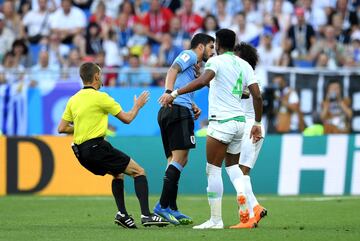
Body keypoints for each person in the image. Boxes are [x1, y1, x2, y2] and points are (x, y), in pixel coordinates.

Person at [160, 29, 263, 229]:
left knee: (213, 170)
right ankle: (245, 200)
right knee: (233, 167)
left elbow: (202, 81)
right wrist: (257, 124)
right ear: (233, 45)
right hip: (241, 123)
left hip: (221, 122)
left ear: (217, 45)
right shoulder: (244, 65)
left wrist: (176, 92)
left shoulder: (215, 62)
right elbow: (254, 96)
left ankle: (216, 220)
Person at [58, 62, 168, 229]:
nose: (101, 78)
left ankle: (122, 214)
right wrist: (137, 105)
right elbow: (128, 118)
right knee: (139, 172)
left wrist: (82, 127)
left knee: (118, 174)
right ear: (96, 76)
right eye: (100, 75)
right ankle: (146, 215)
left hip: (81, 153)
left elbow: (62, 128)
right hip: (97, 147)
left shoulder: (73, 100)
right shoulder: (101, 97)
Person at [154, 33, 215, 225]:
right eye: (210, 47)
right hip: (177, 111)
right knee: (181, 159)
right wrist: (168, 92)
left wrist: (192, 105)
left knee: (174, 160)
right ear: (200, 47)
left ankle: (171, 208)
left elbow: (181, 81)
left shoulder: (193, 67)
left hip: (170, 111)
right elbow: (172, 70)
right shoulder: (189, 54)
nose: (212, 51)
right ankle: (162, 206)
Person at [233, 42, 267, 226]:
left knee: (239, 172)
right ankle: (255, 208)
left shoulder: (248, 77)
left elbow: (246, 95)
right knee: (243, 173)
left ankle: (248, 216)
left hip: (249, 127)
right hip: (253, 126)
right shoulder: (250, 76)